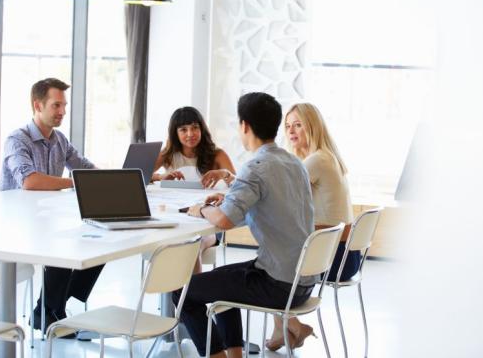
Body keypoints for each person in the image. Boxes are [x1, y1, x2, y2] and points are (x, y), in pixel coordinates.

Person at [173, 92, 316, 358]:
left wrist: (201, 209)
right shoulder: (294, 162)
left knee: (183, 295)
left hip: (278, 283)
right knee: (223, 283)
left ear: (245, 126)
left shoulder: (256, 166)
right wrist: (229, 197)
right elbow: (270, 200)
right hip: (303, 281)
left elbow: (225, 220)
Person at [1, 78, 103, 336]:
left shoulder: (59, 140)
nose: (62, 112)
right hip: (18, 224)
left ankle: (50, 309)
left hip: (48, 220)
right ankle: (49, 312)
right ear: (37, 105)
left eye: (64, 106)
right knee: (66, 244)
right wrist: (73, 182)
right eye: (56, 105)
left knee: (100, 238)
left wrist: (119, 179)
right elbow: (30, 181)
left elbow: (86, 169)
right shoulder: (17, 139)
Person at [265, 102, 360, 351]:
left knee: (271, 258)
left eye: (298, 124)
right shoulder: (324, 157)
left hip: (336, 259)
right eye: (287, 126)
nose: (291, 131)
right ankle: (285, 327)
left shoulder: (317, 161)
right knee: (277, 250)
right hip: (346, 256)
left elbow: (275, 191)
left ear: (312, 127)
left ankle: (291, 326)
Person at [152, 106, 237, 272]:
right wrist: (161, 177)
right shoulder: (167, 155)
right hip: (176, 218)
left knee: (192, 246)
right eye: (183, 129)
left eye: (195, 128)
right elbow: (142, 174)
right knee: (174, 243)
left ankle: (191, 295)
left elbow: (238, 185)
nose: (190, 134)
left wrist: (223, 173)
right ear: (175, 133)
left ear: (201, 129)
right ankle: (180, 295)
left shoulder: (217, 155)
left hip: (208, 222)